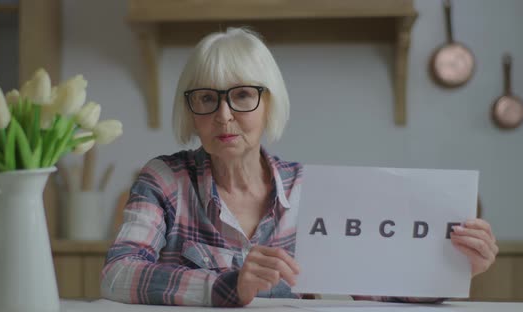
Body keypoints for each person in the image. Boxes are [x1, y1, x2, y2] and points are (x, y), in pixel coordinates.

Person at [100, 27, 498, 307]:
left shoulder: (313, 189)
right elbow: (117, 276)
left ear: (269, 103)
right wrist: (228, 286)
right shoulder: (164, 179)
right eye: (206, 99)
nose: (223, 116)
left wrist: (452, 270)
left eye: (242, 95)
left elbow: (372, 285)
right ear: (191, 110)